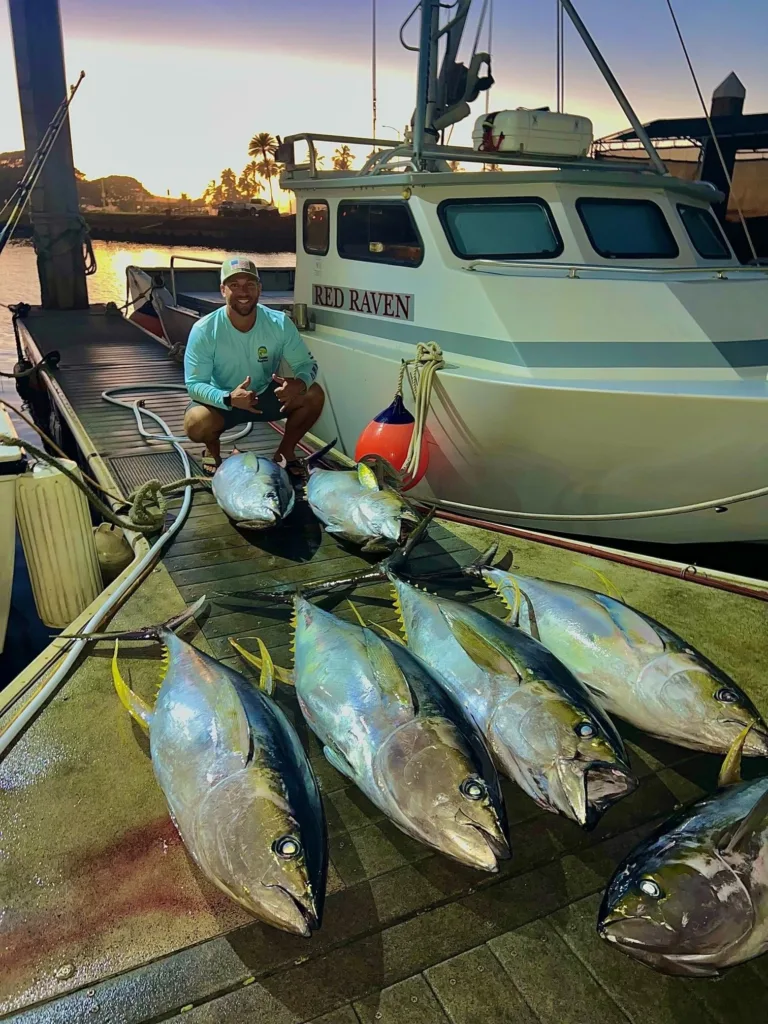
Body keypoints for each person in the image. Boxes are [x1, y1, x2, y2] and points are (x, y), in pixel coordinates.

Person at [183, 255, 325, 473]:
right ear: (223, 290)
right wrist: (228, 398)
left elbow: (307, 364)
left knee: (314, 395)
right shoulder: (204, 329)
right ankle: (212, 451)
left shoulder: (279, 323)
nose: (243, 292)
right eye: (234, 285)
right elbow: (194, 385)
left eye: (250, 284)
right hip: (222, 399)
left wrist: (300, 383)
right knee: (195, 422)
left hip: (263, 394)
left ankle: (285, 452)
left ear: (259, 288)